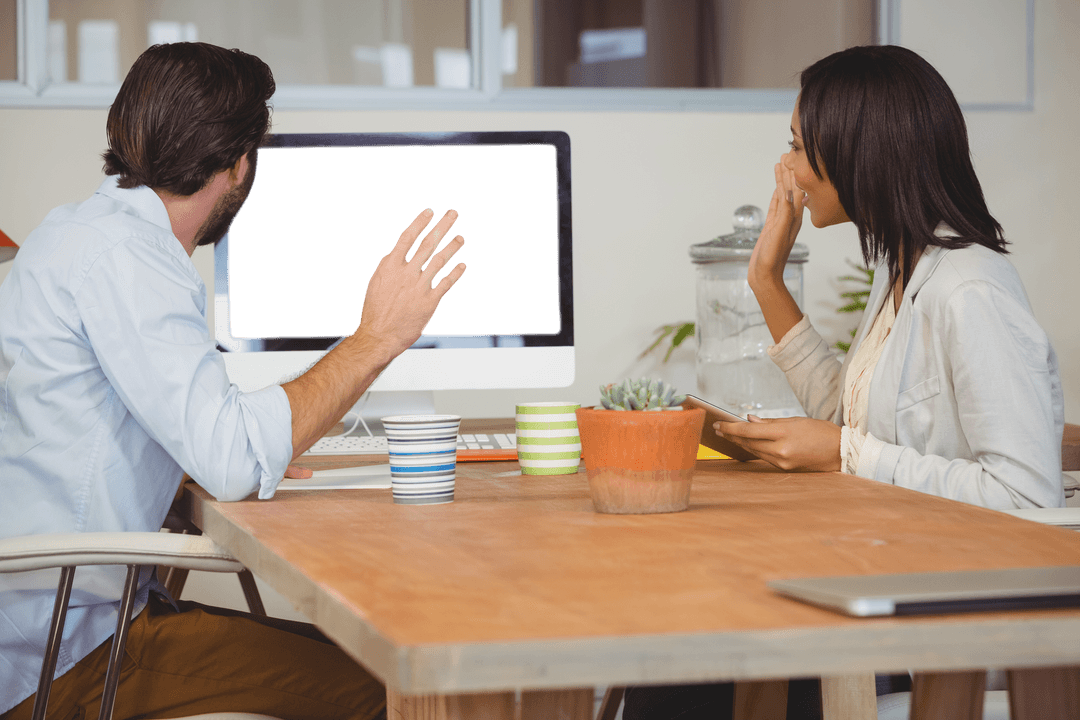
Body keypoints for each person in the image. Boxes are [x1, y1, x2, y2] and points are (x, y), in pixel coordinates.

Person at [0, 42, 466, 719]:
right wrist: (376, 339)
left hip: (48, 626)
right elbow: (235, 462)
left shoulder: (74, 232)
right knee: (403, 685)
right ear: (240, 163)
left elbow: (103, 420)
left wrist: (216, 450)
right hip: (70, 656)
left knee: (377, 656)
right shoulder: (132, 259)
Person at [623, 44, 1065, 720]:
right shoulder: (906, 270)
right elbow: (853, 418)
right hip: (883, 578)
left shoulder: (970, 290)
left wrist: (843, 453)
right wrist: (765, 281)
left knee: (690, 668)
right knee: (675, 647)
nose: (787, 169)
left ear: (860, 156)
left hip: (937, 628)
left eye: (799, 147)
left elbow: (1026, 496)